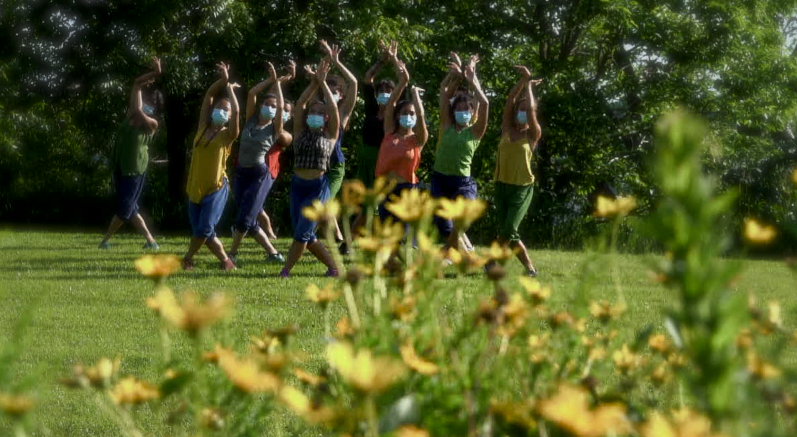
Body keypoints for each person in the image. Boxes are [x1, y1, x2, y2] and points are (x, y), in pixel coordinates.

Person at [279, 60, 339, 278]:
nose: (314, 113)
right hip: (298, 187)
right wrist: (315, 82)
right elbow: (301, 103)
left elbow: (333, 107)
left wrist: (323, 84)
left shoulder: (330, 135)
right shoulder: (299, 132)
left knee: (302, 233)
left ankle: (285, 271)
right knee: (305, 234)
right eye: (312, 111)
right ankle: (334, 268)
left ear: (326, 118)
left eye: (319, 112)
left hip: (317, 188)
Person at [227, 61, 292, 264]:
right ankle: (273, 253)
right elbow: (252, 93)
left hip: (259, 174)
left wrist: (278, 85)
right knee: (249, 217)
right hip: (241, 173)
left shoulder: (275, 128)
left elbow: (280, 107)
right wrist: (270, 80)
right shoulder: (250, 120)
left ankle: (231, 254)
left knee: (245, 218)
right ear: (261, 106)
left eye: (273, 106)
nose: (270, 108)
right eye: (267, 104)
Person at [99, 57, 163, 250]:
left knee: (125, 209)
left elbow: (138, 109)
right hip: (120, 167)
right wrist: (154, 73)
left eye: (150, 105)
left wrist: (144, 89)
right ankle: (151, 242)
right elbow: (136, 84)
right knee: (131, 207)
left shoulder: (151, 124)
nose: (146, 105)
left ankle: (105, 240)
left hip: (135, 171)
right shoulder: (130, 118)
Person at [182, 62, 240, 271]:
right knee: (204, 232)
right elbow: (208, 96)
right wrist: (223, 80)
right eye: (219, 107)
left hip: (216, 188)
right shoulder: (202, 127)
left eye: (226, 110)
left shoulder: (228, 135)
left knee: (204, 228)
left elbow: (237, 112)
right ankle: (226, 262)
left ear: (230, 116)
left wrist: (230, 91)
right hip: (195, 187)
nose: (221, 111)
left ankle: (187, 259)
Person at [431, 54, 489, 250]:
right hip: (440, 179)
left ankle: (448, 251)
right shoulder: (447, 125)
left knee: (463, 216)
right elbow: (444, 92)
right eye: (459, 109)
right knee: (443, 223)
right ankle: (463, 254)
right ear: (453, 111)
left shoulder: (474, 132)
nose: (462, 112)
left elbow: (484, 103)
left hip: (461, 181)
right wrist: (455, 76)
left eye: (466, 109)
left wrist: (472, 78)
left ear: (472, 113)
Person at [492, 66, 542, 277]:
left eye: (527, 110)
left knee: (509, 228)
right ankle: (529, 268)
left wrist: (529, 86)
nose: (523, 112)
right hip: (501, 185)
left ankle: (492, 261)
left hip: (522, 188)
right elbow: (510, 100)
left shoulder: (533, 134)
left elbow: (531, 110)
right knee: (509, 232)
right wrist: (523, 81)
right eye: (520, 109)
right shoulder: (507, 128)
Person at [375, 53, 427, 226]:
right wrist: (403, 81)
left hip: (407, 191)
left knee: (402, 233)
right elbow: (391, 104)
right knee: (386, 232)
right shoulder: (389, 132)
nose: (408, 116)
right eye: (405, 113)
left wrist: (415, 95)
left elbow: (421, 115)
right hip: (386, 189)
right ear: (397, 116)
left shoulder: (417, 139)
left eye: (411, 113)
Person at [353, 41, 398, 233]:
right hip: (367, 159)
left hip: (385, 160)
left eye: (389, 91)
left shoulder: (397, 113)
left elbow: (403, 79)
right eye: (382, 91)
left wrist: (394, 59)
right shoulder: (371, 108)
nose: (384, 94)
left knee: (383, 201)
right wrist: (382, 60)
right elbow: (368, 78)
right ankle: (351, 238)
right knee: (365, 202)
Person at [318, 40, 358, 254]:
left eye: (336, 92)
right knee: (324, 204)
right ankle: (343, 242)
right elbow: (317, 78)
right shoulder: (316, 111)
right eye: (328, 90)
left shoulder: (342, 113)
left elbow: (354, 83)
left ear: (341, 95)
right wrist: (325, 59)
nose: (331, 94)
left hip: (334, 167)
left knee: (324, 204)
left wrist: (336, 61)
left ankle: (310, 238)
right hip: (317, 166)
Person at [257, 98, 294, 240]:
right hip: (252, 168)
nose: (281, 112)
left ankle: (269, 233)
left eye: (286, 110)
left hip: (268, 170)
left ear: (290, 116)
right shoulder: (263, 125)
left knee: (256, 204)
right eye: (280, 109)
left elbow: (280, 136)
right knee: (253, 203)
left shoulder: (284, 134)